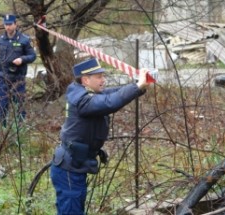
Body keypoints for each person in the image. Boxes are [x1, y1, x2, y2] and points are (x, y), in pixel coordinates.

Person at [50, 58, 151, 215]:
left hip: (75, 164)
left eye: (103, 76)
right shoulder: (83, 100)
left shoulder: (83, 92)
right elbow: (110, 102)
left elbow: (111, 93)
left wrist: (138, 86)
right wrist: (136, 87)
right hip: (69, 168)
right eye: (99, 77)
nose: (103, 80)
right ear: (85, 79)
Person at [0, 14, 37, 128]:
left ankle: (20, 129)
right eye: (6, 25)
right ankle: (1, 130)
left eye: (10, 24)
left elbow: (32, 56)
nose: (8, 27)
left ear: (15, 24)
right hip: (3, 78)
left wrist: (22, 59)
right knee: (2, 105)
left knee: (20, 106)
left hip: (19, 78)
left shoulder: (24, 40)